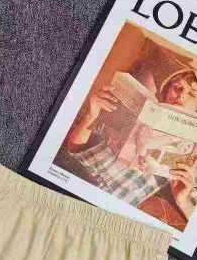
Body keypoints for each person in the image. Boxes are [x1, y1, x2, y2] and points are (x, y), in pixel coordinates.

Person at [66, 68, 197, 221]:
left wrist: (184, 201)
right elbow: (76, 149)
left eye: (192, 94)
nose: (181, 95)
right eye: (177, 87)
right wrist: (91, 115)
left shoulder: (191, 154)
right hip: (93, 189)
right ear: (166, 91)